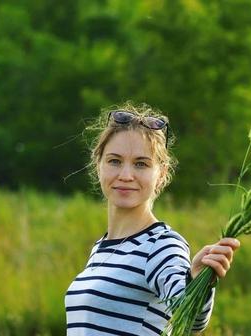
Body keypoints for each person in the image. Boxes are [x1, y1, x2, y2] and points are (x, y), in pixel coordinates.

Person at [65, 102, 240, 335]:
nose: (126, 175)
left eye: (141, 164)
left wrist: (197, 282)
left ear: (161, 174)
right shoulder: (101, 248)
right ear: (99, 166)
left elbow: (188, 314)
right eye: (114, 161)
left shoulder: (161, 245)